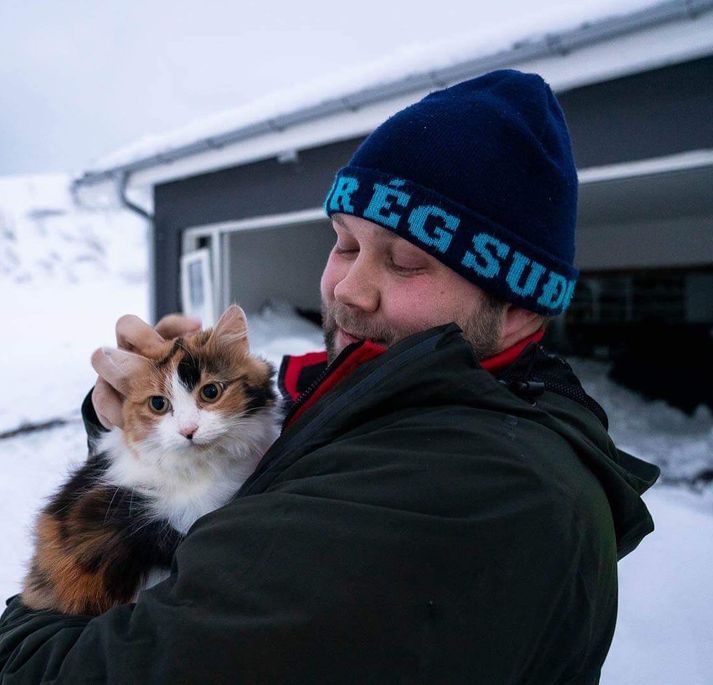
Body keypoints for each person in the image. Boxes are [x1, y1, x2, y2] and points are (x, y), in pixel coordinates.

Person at [0, 69, 659, 684]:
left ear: (517, 305)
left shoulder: (468, 488)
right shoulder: (365, 390)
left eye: (404, 263)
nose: (347, 288)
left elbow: (90, 667)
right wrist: (134, 424)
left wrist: (31, 618)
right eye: (343, 242)